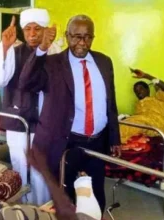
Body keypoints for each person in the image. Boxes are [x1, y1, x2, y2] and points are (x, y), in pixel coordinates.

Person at [19, 14, 121, 213]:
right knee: (66, 198)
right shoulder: (52, 63)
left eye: (87, 37)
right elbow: (26, 82)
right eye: (76, 37)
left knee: (97, 194)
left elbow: (111, 102)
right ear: (67, 36)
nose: (82, 43)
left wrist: (114, 137)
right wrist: (41, 49)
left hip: (97, 142)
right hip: (67, 142)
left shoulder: (104, 62)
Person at [0, 8, 62, 206]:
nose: (32, 34)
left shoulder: (55, 53)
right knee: (19, 166)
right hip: (18, 122)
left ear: (47, 30)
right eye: (27, 29)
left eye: (37, 29)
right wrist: (4, 46)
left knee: (42, 169)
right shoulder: (14, 52)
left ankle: (42, 210)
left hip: (45, 123)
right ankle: (22, 208)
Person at [119, 68, 164, 143]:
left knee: (133, 121)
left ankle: (113, 137)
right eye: (136, 91)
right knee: (126, 122)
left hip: (159, 127)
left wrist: (147, 76)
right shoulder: (138, 105)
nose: (139, 92)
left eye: (141, 89)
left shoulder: (158, 99)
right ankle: (115, 139)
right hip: (146, 127)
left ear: (148, 90)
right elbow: (140, 118)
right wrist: (127, 117)